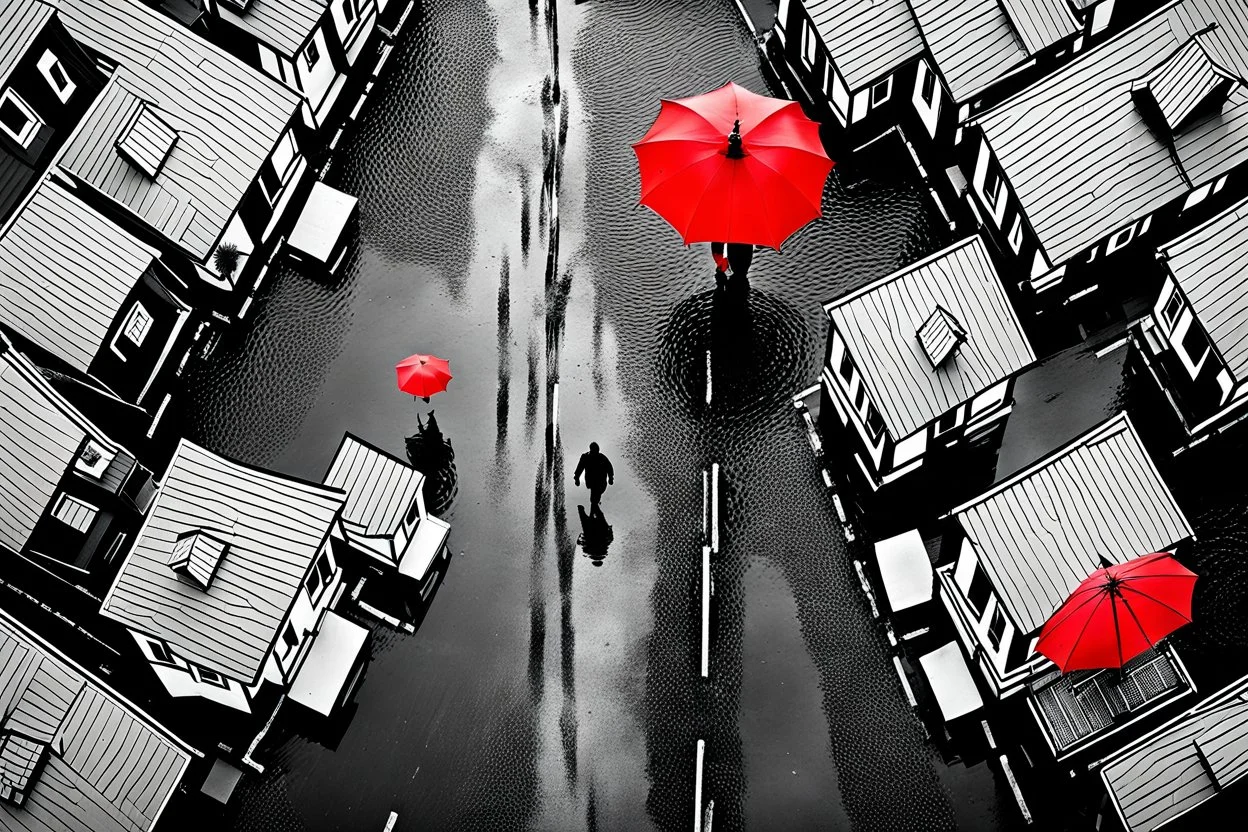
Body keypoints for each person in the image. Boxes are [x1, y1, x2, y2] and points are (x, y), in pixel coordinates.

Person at [573, 442, 614, 508]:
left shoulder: (602, 457)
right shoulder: (586, 457)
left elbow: (609, 467)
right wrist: (577, 478)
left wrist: (611, 477)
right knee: (594, 497)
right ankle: (592, 508)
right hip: (592, 480)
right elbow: (579, 468)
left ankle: (593, 507)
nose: (596, 451)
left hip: (601, 480)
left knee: (597, 495)